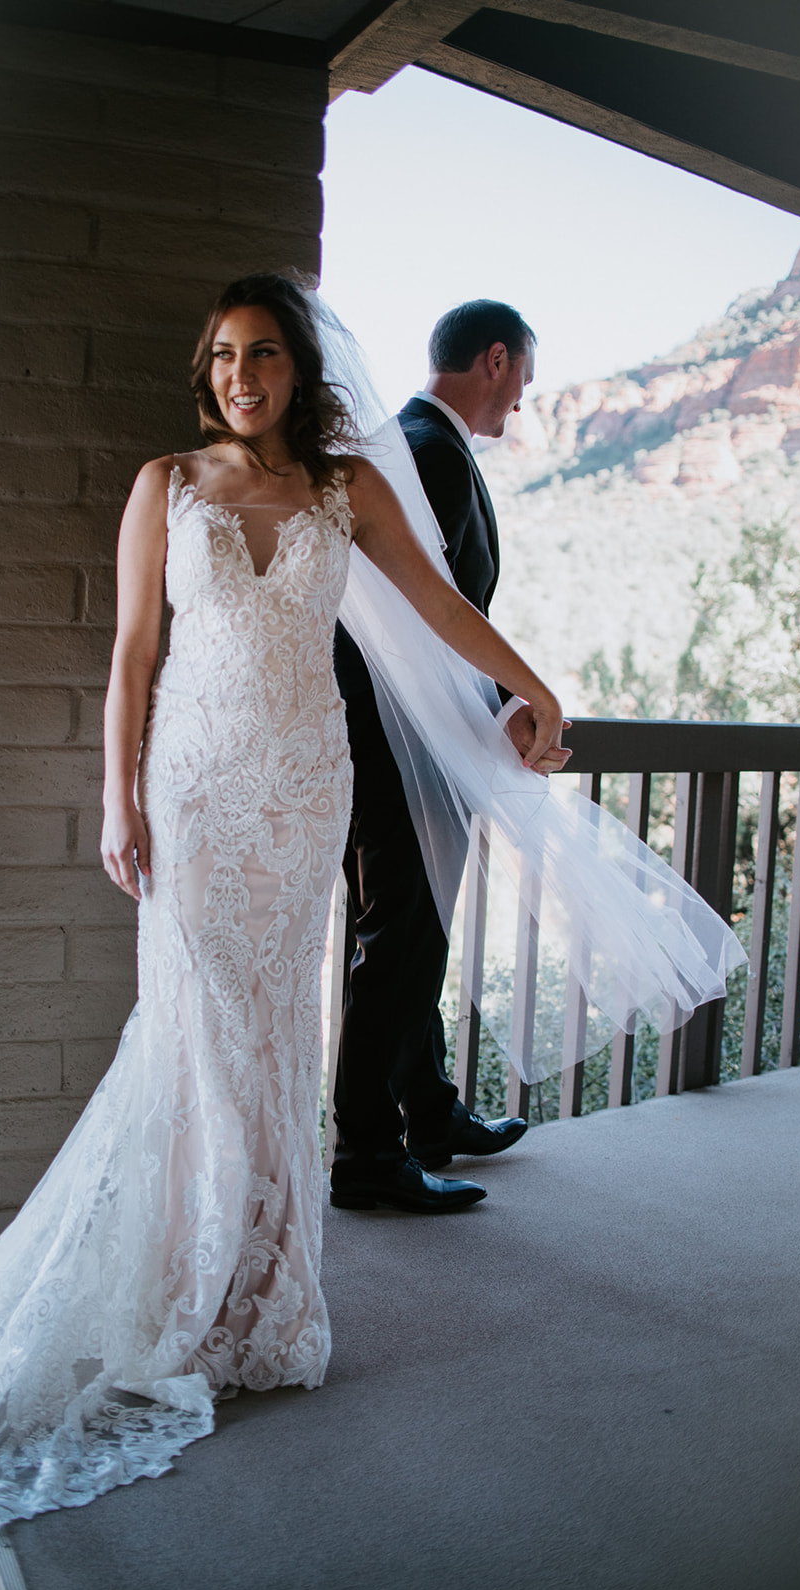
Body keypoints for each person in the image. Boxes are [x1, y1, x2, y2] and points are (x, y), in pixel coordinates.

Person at [0, 275, 740, 1590]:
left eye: (265, 352)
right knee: (197, 1039)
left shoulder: (347, 491)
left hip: (301, 789)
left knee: (280, 1036)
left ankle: (268, 1309)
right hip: (195, 787)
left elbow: (438, 605)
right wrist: (115, 797)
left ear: (294, 369)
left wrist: (532, 680)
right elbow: (130, 655)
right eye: (224, 355)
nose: (244, 373)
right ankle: (186, 1291)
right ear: (205, 372)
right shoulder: (165, 487)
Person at [332, 300, 569, 1214]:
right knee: (400, 939)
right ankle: (366, 1156)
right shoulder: (426, 451)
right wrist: (513, 699)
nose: (520, 404)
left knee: (409, 935)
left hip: (414, 734)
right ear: (498, 361)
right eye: (524, 382)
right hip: (400, 741)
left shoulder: (412, 442)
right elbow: (413, 618)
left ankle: (429, 1115)